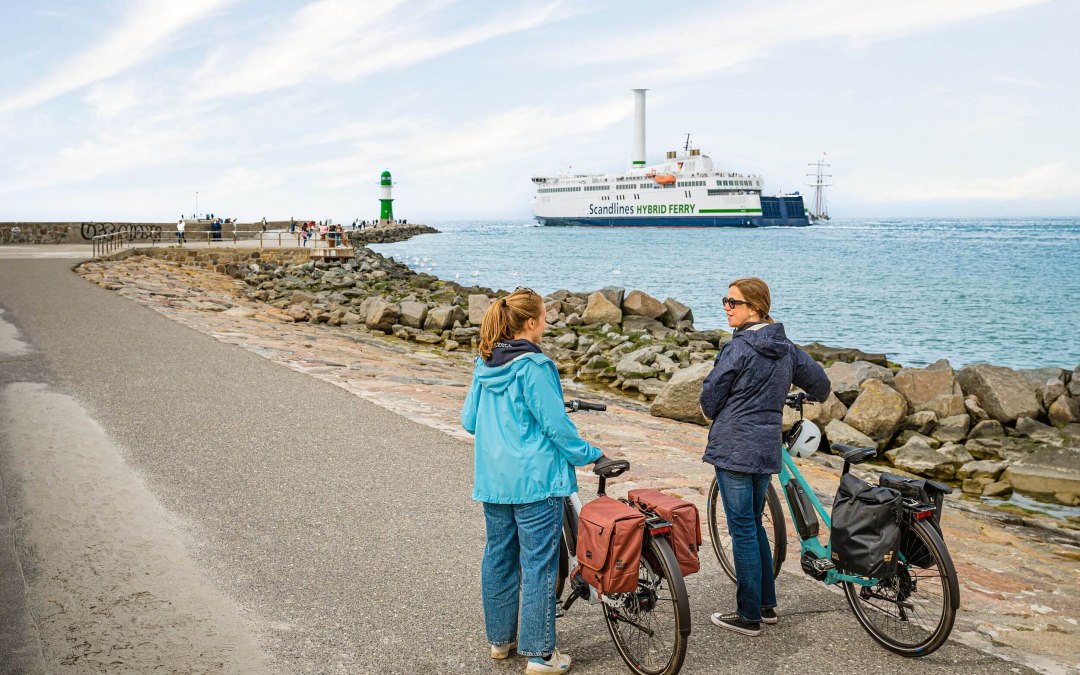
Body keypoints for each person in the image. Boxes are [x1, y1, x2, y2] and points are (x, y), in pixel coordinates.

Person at [461, 287, 610, 674]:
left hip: (495, 481)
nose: (546, 323)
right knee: (539, 565)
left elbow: (469, 421)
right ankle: (541, 655)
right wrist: (590, 454)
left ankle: (500, 641)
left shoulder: (484, 364)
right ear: (530, 323)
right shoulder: (534, 366)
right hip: (536, 482)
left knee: (499, 557)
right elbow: (556, 425)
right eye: (544, 317)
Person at [700, 276, 830, 637]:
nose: (726, 307)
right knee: (753, 524)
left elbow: (710, 399)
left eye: (733, 302)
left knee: (743, 529)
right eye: (725, 300)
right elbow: (821, 385)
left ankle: (748, 615)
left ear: (755, 307)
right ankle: (766, 606)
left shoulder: (739, 347)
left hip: (734, 447)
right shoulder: (786, 347)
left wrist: (727, 409)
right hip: (765, 446)